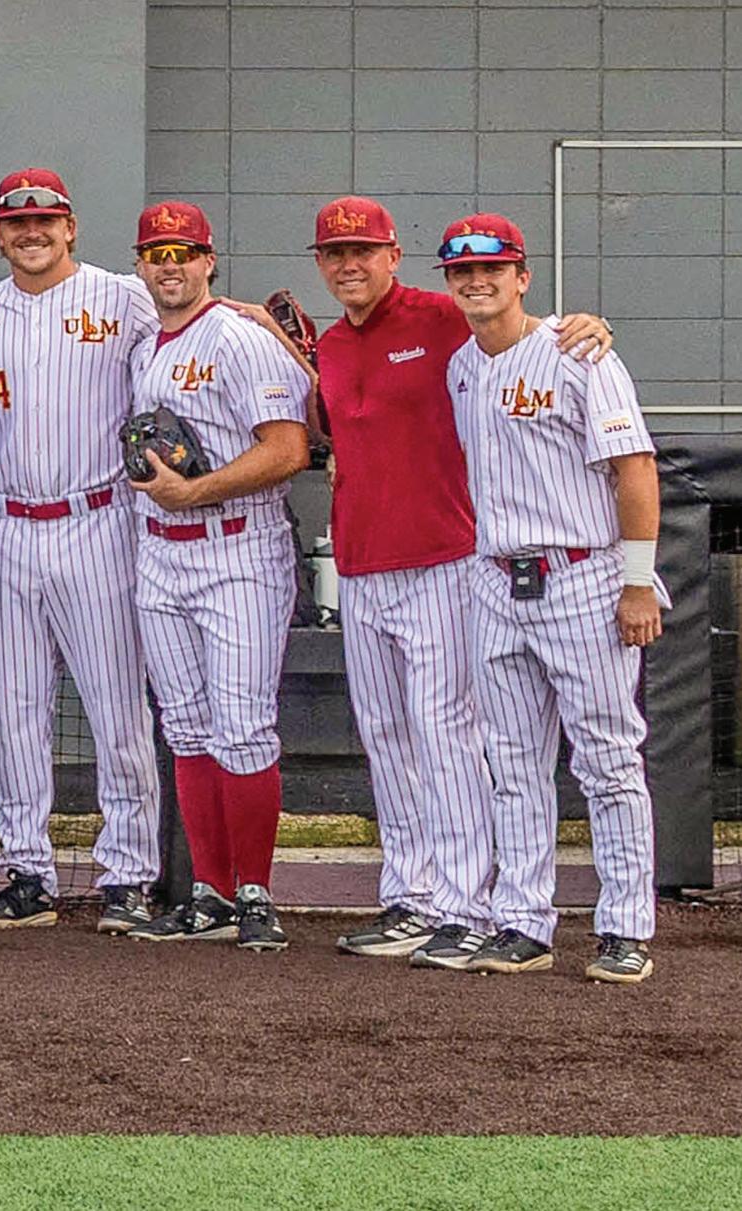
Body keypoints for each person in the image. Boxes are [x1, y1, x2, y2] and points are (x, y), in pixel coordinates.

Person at [308, 196, 612, 961]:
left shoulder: (441, 316)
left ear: (393, 254)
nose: (350, 263)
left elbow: (517, 324)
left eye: (363, 250)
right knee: (386, 736)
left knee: (446, 733)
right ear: (321, 264)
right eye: (335, 252)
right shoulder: (332, 345)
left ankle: (464, 903)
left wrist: (587, 325)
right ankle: (410, 896)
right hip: (361, 562)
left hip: (446, 558)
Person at [0, 168, 163, 932]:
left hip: (97, 517)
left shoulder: (121, 297)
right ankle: (26, 871)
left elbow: (192, 325)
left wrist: (250, 315)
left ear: (70, 227)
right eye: (17, 222)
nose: (32, 232)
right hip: (7, 524)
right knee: (17, 711)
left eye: (46, 219)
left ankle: (128, 874)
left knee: (117, 709)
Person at [434, 212, 660, 984]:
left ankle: (625, 927)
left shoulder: (578, 350)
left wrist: (638, 581)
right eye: (463, 270)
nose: (477, 280)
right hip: (497, 578)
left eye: (492, 268)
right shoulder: (461, 367)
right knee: (512, 762)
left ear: (522, 277)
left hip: (582, 573)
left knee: (607, 759)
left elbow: (635, 468)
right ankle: (523, 921)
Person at [112, 202, 313, 951]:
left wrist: (195, 491)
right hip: (162, 549)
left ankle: (256, 892)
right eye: (156, 253)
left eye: (184, 252)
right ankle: (210, 891)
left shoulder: (238, 336)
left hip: (237, 547)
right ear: (140, 265)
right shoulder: (145, 347)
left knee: (242, 726)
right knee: (187, 726)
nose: (170, 265)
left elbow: (288, 449)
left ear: (209, 260)